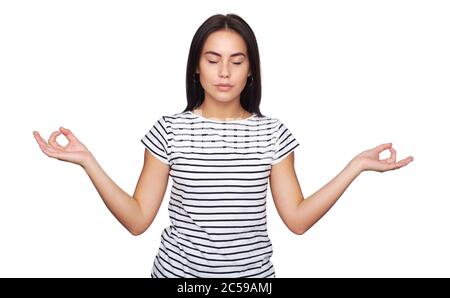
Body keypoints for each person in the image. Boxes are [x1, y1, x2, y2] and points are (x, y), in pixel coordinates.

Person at [32, 13, 413, 278]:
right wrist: (87, 161)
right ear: (197, 67)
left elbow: (296, 220)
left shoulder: (273, 134)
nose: (225, 72)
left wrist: (355, 167)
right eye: (213, 60)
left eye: (236, 60)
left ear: (251, 70)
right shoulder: (169, 130)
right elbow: (137, 220)